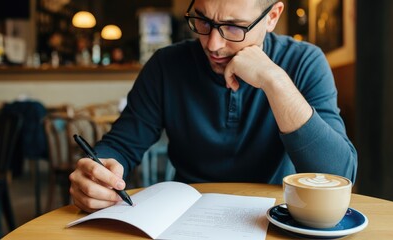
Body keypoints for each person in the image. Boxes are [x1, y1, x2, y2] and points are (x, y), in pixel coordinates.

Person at [70, 0, 357, 213]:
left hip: (275, 218)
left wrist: (274, 81)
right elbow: (121, 144)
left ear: (272, 17)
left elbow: (339, 174)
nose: (213, 44)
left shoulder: (305, 62)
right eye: (203, 21)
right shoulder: (166, 66)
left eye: (233, 27)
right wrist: (98, 171)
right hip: (185, 216)